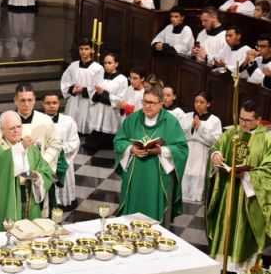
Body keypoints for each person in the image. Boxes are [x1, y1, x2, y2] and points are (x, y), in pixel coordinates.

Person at [205, 101, 271, 272]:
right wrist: (215, 155)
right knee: (225, 225)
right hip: (227, 191)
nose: (243, 123)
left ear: (259, 120)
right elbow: (216, 146)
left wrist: (247, 176)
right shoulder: (233, 132)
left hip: (248, 198)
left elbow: (270, 171)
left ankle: (243, 268)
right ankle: (221, 264)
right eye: (241, 119)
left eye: (248, 120)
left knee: (243, 230)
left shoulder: (266, 141)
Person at [113, 85, 188, 223]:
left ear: (161, 103)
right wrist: (131, 148)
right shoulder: (133, 119)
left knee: (153, 213)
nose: (147, 106)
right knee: (131, 215)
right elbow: (118, 141)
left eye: (152, 103)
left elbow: (182, 148)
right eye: (145, 102)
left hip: (158, 176)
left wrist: (161, 150)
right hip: (134, 175)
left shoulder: (170, 122)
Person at [0, 111, 54, 232]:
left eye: (19, 127)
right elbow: (4, 161)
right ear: (2, 130)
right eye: (12, 128)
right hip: (6, 200)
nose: (16, 130)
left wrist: (38, 177)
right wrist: (21, 147)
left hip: (29, 197)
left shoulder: (31, 148)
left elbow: (44, 169)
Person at [0, 82, 62, 172]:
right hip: (12, 171)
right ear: (15, 100)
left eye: (30, 100)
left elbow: (56, 143)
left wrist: (43, 161)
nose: (27, 104)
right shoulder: (2, 121)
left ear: (34, 100)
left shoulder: (45, 120)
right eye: (23, 100)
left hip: (39, 170)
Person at [181, 91, 222, 204]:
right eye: (196, 101)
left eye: (202, 102)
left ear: (208, 104)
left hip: (203, 156)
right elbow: (180, 136)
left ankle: (198, 198)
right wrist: (192, 127)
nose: (198, 104)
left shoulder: (214, 120)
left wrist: (201, 128)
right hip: (188, 154)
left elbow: (216, 142)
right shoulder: (187, 116)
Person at [42, 92, 80, 209]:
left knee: (64, 181)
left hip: (63, 159)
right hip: (45, 159)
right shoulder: (39, 121)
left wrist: (60, 150)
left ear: (59, 104)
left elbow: (74, 141)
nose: (51, 106)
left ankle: (64, 202)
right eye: (48, 103)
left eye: (54, 103)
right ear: (43, 105)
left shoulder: (68, 121)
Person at [60, 40, 104, 135]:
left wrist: (83, 90)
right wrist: (72, 88)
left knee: (86, 130)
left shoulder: (98, 68)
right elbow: (65, 81)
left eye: (86, 49)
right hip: (74, 100)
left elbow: (99, 87)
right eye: (81, 49)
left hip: (88, 102)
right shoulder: (73, 66)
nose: (83, 51)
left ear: (92, 50)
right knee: (71, 129)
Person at [89, 52, 128, 146]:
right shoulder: (99, 77)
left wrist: (104, 93)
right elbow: (92, 92)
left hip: (111, 113)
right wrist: (97, 94)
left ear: (116, 64)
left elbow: (121, 99)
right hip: (98, 110)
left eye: (109, 63)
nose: (106, 65)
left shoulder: (122, 79)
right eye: (105, 63)